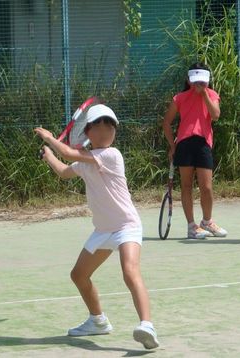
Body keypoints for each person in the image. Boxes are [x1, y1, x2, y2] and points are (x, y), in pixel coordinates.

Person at [34, 104, 159, 350]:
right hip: (103, 230)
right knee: (78, 275)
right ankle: (98, 321)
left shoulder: (112, 155)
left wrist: (50, 138)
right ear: (87, 132)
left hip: (126, 226)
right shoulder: (85, 161)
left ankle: (147, 326)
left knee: (130, 271)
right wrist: (49, 155)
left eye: (109, 127)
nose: (105, 132)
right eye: (99, 126)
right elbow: (64, 170)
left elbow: (69, 155)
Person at [163, 62, 228, 239]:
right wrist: (172, 145)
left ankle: (207, 222)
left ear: (207, 80)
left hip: (203, 144)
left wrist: (205, 94)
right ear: (189, 80)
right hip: (184, 144)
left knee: (206, 187)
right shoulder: (180, 98)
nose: (199, 84)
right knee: (186, 186)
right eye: (196, 80)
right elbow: (166, 123)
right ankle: (192, 227)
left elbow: (215, 115)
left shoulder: (212, 94)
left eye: (203, 81)